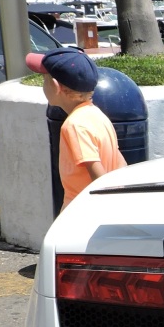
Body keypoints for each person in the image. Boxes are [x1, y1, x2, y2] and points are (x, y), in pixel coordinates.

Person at [26, 47, 126, 211]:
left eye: (44, 78)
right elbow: (120, 162)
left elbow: (98, 176)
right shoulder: (98, 116)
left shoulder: (74, 125)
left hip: (80, 212)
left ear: (55, 85)